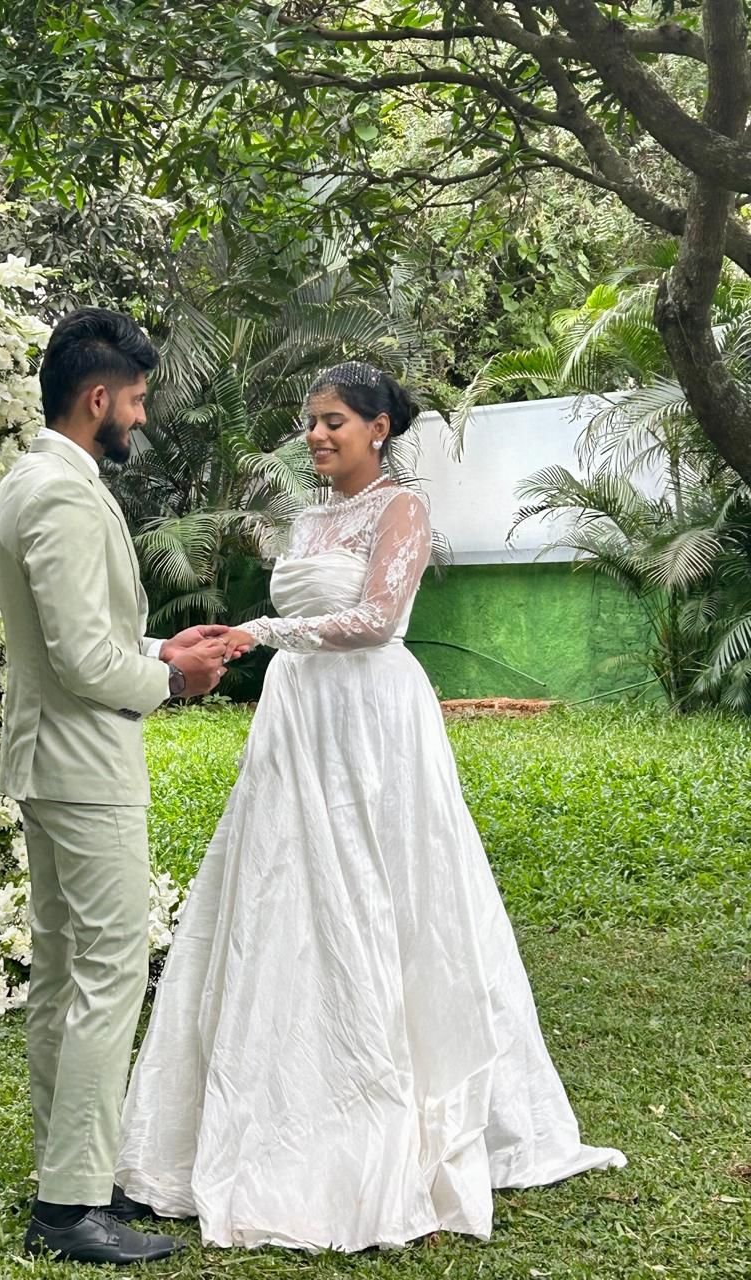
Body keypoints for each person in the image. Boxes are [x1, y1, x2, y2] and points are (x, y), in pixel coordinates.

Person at [114, 360, 626, 1252]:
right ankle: (277, 1101)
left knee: (382, 888)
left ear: (379, 428)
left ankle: (398, 1102)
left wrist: (263, 632)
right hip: (299, 717)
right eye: (310, 421)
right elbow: (308, 610)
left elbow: (379, 620)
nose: (316, 436)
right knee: (283, 890)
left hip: (372, 716)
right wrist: (245, 637)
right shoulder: (308, 518)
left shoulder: (403, 510)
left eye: (334, 421)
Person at [0, 307, 234, 1266]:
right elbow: (85, 660)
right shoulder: (61, 495)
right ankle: (72, 1208)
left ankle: (67, 1177)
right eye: (135, 400)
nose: (141, 417)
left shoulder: (35, 479)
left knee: (62, 976)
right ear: (98, 399)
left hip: (53, 760)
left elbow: (82, 641)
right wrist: (172, 679)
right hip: (85, 770)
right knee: (105, 975)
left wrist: (155, 649)